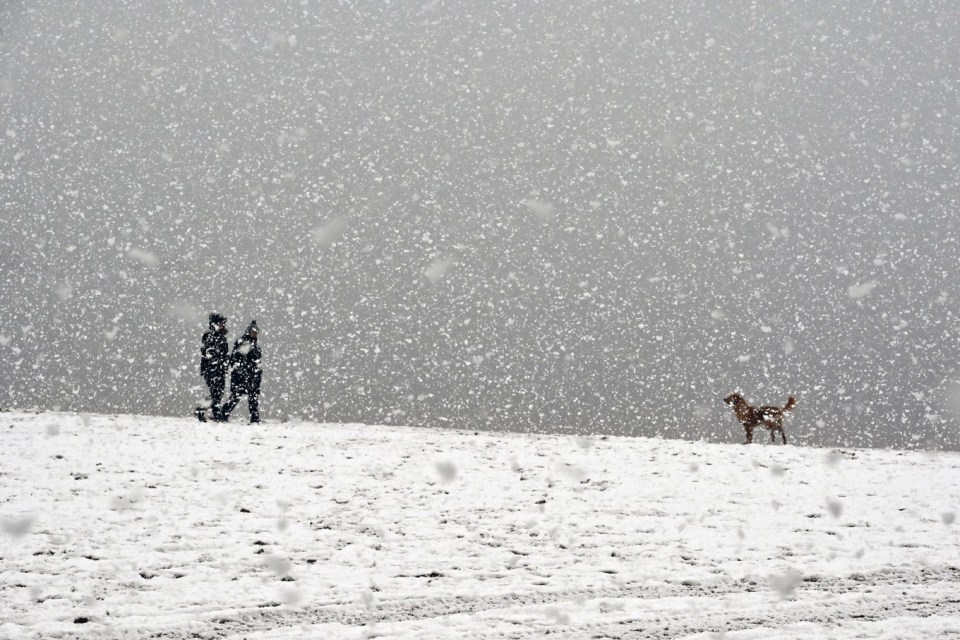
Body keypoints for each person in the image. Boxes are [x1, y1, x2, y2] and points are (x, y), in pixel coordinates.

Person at [216, 320, 262, 423]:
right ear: (249, 332)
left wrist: (256, 371)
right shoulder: (243, 342)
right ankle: (224, 413)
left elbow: (255, 360)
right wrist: (243, 371)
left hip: (251, 376)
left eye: (256, 333)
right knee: (237, 396)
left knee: (252, 397)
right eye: (253, 332)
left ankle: (254, 418)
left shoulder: (253, 343)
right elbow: (236, 359)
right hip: (242, 375)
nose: (255, 335)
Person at [195, 313, 229, 422]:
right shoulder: (210, 336)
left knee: (218, 393)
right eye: (221, 323)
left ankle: (205, 410)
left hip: (219, 369)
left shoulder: (220, 336)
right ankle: (212, 412)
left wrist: (224, 362)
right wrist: (218, 360)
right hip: (212, 369)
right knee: (216, 393)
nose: (223, 325)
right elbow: (208, 352)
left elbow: (222, 353)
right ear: (214, 324)